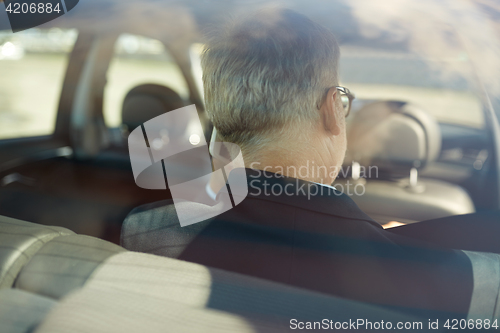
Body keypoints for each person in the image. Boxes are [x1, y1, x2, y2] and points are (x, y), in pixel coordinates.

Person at [121, 8, 499, 319]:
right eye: (344, 100)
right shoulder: (446, 279)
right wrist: (385, 237)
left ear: (222, 114)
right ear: (333, 108)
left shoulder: (141, 236)